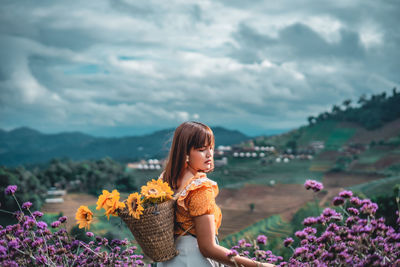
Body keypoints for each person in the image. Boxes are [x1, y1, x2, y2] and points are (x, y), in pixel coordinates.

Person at [157, 121, 275, 267]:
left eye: (211, 148)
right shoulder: (199, 189)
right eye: (201, 149)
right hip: (194, 260)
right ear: (185, 153)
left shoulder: (166, 179)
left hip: (169, 261)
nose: (209, 154)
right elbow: (208, 249)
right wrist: (258, 265)